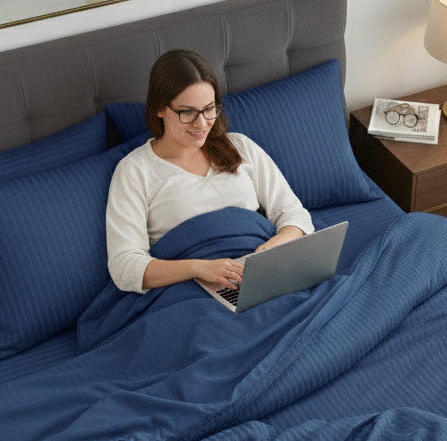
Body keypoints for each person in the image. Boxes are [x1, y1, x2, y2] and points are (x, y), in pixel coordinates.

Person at [105, 49, 313, 294]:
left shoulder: (240, 147)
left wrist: (275, 246)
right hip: (190, 290)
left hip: (259, 276)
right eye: (188, 112)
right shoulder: (134, 171)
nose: (202, 123)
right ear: (159, 109)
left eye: (209, 108)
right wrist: (198, 268)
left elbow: (294, 214)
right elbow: (125, 266)